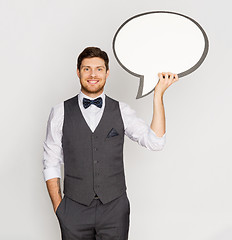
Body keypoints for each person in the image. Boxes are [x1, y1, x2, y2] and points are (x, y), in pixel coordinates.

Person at [43, 46, 179, 240]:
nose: (92, 74)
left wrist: (158, 95)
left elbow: (155, 142)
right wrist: (60, 208)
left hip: (115, 210)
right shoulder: (60, 112)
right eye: (86, 68)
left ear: (107, 73)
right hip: (73, 210)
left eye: (99, 69)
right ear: (78, 72)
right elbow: (51, 162)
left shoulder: (121, 110)